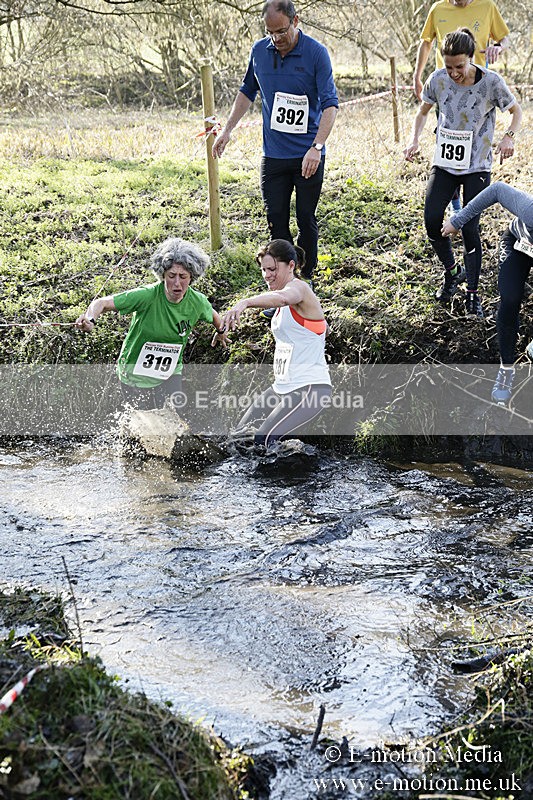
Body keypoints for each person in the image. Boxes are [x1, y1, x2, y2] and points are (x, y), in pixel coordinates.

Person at [212, 0, 338, 283]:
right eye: (270, 33)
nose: (277, 39)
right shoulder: (259, 51)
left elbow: (330, 104)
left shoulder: (316, 53)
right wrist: (227, 129)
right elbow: (247, 90)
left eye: (282, 31)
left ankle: (307, 277)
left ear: (295, 21)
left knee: (305, 218)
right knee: (276, 221)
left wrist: (317, 147)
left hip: (307, 154)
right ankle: (284, 281)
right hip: (274, 156)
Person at [404, 28, 521, 317]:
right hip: (445, 162)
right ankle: (452, 271)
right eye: (449, 67)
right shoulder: (438, 80)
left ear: (471, 57)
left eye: (460, 66)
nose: (454, 73)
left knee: (469, 227)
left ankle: (472, 293)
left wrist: (509, 137)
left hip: (476, 165)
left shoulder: (491, 82)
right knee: (432, 219)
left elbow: (516, 112)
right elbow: (422, 112)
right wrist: (413, 139)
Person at [75, 237, 229, 409]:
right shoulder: (147, 296)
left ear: (191, 277)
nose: (177, 283)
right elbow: (102, 303)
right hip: (134, 374)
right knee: (145, 418)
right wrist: (90, 320)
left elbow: (213, 315)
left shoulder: (197, 302)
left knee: (174, 412)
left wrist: (221, 332)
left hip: (170, 372)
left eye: (183, 277)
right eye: (171, 276)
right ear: (163, 275)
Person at [219, 239, 331, 448]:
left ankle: (299, 465)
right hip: (281, 388)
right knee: (239, 439)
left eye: (272, 269)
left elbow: (283, 298)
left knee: (263, 441)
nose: (267, 275)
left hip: (309, 389)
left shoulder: (299, 288)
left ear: (291, 265)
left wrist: (245, 302)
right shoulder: (281, 303)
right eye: (263, 270)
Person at [442, 182, 533, 403]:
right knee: (510, 299)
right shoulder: (529, 209)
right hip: (518, 245)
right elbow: (497, 189)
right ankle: (506, 369)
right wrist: (457, 220)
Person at [413, 0, 509, 103]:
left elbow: (505, 40)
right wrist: (417, 76)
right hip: (445, 86)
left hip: (477, 84)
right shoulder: (437, 8)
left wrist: (498, 47)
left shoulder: (488, 6)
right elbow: (426, 43)